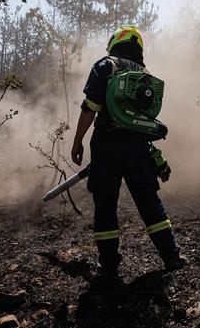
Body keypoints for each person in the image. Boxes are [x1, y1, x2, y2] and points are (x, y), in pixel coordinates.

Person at [70, 25, 187, 281]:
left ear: (115, 41)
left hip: (106, 144)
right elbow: (148, 116)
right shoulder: (145, 75)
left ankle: (109, 267)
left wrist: (77, 141)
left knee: (105, 205)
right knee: (149, 202)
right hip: (137, 146)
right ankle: (172, 256)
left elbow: (90, 107)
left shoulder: (105, 65)